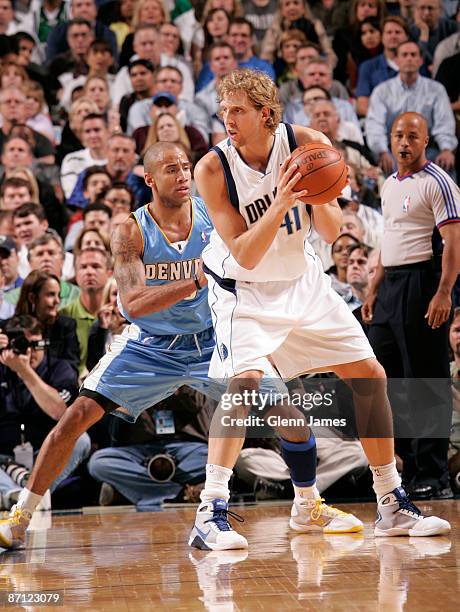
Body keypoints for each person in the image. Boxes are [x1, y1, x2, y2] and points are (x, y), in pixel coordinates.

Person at [188, 68, 450, 550]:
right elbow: (244, 252)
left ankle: (390, 502)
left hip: (302, 282)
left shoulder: (307, 142)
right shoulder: (212, 168)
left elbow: (331, 233)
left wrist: (316, 193)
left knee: (371, 375)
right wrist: (284, 197)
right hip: (243, 290)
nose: (227, 118)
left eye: (238, 110)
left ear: (267, 114)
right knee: (244, 386)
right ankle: (211, 511)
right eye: (224, 109)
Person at [0, 141, 219, 550]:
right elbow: (133, 305)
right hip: (151, 344)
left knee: (279, 408)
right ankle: (21, 515)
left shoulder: (214, 216)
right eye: (172, 169)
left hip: (209, 339)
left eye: (187, 167)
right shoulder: (130, 230)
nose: (184, 175)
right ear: (150, 179)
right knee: (76, 416)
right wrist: (195, 280)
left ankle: (309, 501)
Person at [362, 111, 460, 499]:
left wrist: (444, 291)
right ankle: (403, 467)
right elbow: (389, 241)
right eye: (398, 135)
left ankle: (433, 475)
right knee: (390, 380)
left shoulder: (440, 182)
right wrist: (373, 289)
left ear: (426, 141)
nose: (404, 143)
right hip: (390, 288)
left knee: (427, 382)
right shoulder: (388, 185)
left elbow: (453, 243)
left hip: (424, 282)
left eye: (412, 137)